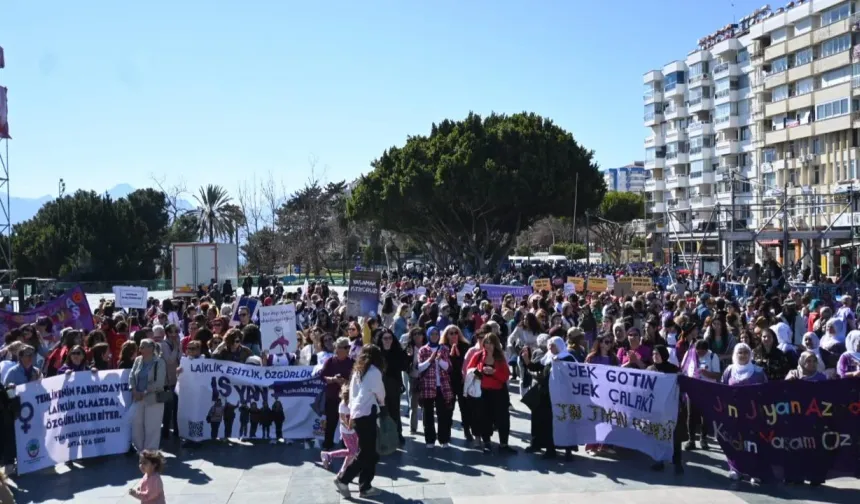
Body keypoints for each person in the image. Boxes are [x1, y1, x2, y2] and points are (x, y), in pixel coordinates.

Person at [334, 344, 385, 499]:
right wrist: (382, 404)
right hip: (367, 413)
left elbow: (352, 394)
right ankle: (344, 479)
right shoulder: (374, 371)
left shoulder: (357, 371)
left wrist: (351, 413)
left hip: (357, 413)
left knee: (371, 453)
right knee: (366, 453)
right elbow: (380, 392)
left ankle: (365, 486)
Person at [522, 335, 576, 460]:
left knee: (563, 422)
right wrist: (526, 360)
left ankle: (568, 451)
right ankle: (547, 448)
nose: (550, 348)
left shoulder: (568, 358)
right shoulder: (548, 357)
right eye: (549, 345)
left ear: (559, 346)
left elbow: (574, 375)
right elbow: (535, 367)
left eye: (553, 345)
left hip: (562, 396)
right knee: (545, 422)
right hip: (547, 395)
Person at [466, 332, 516, 454]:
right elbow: (469, 370)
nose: (487, 345)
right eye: (486, 342)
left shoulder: (500, 358)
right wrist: (479, 372)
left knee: (503, 418)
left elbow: (505, 376)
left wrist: (494, 372)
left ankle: (504, 444)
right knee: (485, 417)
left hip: (499, 392)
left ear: (495, 344)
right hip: (483, 392)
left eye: (490, 342)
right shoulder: (478, 356)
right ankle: (486, 442)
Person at [647, 345, 684, 474]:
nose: (654, 356)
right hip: (656, 408)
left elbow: (681, 386)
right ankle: (659, 461)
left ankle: (677, 463)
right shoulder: (649, 369)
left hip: (670, 408)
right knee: (658, 434)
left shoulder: (673, 369)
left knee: (674, 436)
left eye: (657, 354)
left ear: (663, 355)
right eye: (653, 354)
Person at [417, 326, 454, 448]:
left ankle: (444, 439)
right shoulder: (423, 350)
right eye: (432, 334)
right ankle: (430, 440)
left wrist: (439, 360)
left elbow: (448, 368)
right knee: (428, 415)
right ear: (428, 335)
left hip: (442, 386)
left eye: (436, 334)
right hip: (428, 386)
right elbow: (419, 368)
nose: (434, 336)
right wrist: (430, 360)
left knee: (443, 414)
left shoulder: (444, 349)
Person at [128, 339, 167, 452]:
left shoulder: (159, 362)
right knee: (136, 426)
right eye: (140, 347)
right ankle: (140, 450)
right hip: (137, 398)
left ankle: (150, 453)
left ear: (151, 348)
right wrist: (134, 390)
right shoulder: (138, 360)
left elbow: (159, 383)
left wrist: (144, 392)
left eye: (142, 347)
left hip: (153, 398)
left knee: (152, 427)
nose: (140, 349)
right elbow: (131, 376)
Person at [319, 337, 353, 450]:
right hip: (332, 397)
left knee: (347, 423)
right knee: (331, 423)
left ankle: (347, 445)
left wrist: (345, 382)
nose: (348, 349)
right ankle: (328, 445)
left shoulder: (352, 362)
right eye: (345, 347)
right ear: (338, 348)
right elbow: (322, 376)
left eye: (349, 347)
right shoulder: (330, 361)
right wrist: (333, 379)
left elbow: (356, 380)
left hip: (347, 399)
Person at [321, 384, 359, 478]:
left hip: (354, 431)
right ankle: (329, 455)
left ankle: (343, 470)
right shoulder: (342, 405)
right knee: (352, 452)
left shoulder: (354, 403)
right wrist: (348, 426)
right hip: (346, 432)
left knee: (352, 452)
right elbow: (341, 419)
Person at [377, 328, 407, 444]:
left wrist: (408, 356)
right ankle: (384, 436)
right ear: (381, 340)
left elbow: (404, 367)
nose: (388, 340)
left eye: (390, 338)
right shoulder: (377, 353)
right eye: (385, 338)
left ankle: (398, 433)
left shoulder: (397, 351)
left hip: (394, 385)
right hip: (380, 385)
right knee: (383, 412)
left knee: (395, 411)